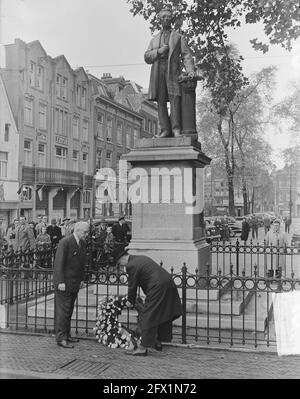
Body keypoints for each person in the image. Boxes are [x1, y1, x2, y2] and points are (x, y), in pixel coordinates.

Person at [110, 246, 182, 356]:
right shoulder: (140, 258)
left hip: (157, 287)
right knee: (160, 312)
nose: (121, 266)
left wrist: (130, 300)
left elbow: (132, 285)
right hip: (166, 283)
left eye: (119, 263)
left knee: (148, 315)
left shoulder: (131, 265)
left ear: (122, 259)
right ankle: (156, 341)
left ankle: (142, 348)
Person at [144, 6, 195, 138]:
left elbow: (186, 55)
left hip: (173, 72)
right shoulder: (154, 39)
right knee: (161, 101)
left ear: (171, 19)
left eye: (168, 16)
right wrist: (159, 51)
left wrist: (190, 70)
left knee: (175, 99)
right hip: (158, 72)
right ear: (160, 20)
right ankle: (165, 130)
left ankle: (176, 129)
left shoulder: (178, 37)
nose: (166, 19)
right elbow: (147, 57)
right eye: (164, 17)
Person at [53, 221, 90, 348]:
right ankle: (61, 338)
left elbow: (81, 264)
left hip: (74, 283)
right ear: (78, 230)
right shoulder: (65, 242)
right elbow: (59, 263)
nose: (87, 234)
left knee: (69, 311)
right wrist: (60, 281)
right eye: (85, 232)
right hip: (64, 283)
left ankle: (67, 335)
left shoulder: (82, 243)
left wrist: (81, 279)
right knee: (63, 312)